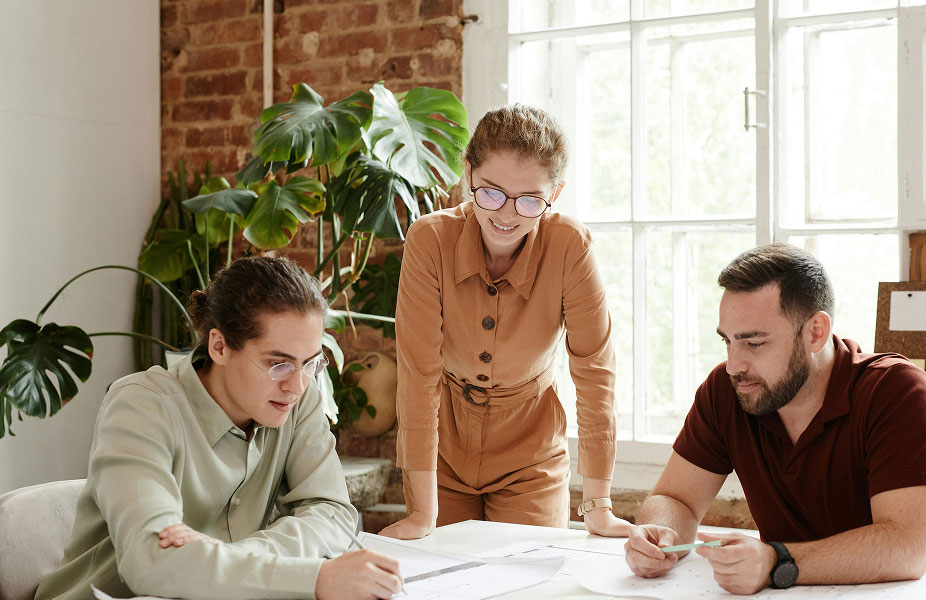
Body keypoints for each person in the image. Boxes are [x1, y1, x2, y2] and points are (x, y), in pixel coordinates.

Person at [35, 257, 402, 600]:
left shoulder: (296, 397)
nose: (297, 385)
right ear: (219, 346)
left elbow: (333, 512)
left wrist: (230, 557)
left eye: (309, 363)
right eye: (278, 364)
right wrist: (315, 579)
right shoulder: (141, 407)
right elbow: (148, 563)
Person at [624, 243, 926, 595]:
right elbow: (675, 499)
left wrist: (776, 562)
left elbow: (905, 548)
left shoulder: (898, 391)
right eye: (727, 341)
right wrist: (657, 533)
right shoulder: (729, 390)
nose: (734, 364)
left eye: (754, 343)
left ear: (815, 332)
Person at [381, 105, 630, 540]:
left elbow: (595, 373)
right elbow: (419, 374)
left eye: (530, 200)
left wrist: (598, 506)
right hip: (442, 450)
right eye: (492, 192)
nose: (507, 215)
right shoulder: (430, 239)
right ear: (468, 174)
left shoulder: (570, 245)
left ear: (555, 193)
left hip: (530, 453)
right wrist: (423, 514)